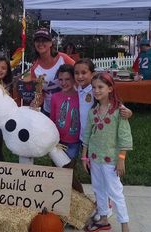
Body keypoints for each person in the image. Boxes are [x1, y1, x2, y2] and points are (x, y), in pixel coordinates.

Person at [74, 58, 132, 221]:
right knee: (98, 183)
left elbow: (121, 122)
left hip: (108, 152)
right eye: (76, 73)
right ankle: (103, 211)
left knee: (111, 186)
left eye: (84, 72)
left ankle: (108, 210)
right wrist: (85, 154)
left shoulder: (106, 101)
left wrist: (128, 112)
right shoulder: (77, 90)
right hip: (90, 145)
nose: (80, 76)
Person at [50, 64, 83, 193]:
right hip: (57, 142)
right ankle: (60, 200)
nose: (64, 83)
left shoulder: (81, 97)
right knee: (57, 173)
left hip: (73, 142)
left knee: (69, 173)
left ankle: (82, 199)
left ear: (74, 79)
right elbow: (52, 120)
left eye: (67, 79)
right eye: (61, 79)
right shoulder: (55, 97)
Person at [30, 28, 75, 117]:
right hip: (49, 111)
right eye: (37, 41)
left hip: (70, 107)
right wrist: (34, 104)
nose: (41, 43)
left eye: (44, 40)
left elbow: (79, 73)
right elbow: (40, 92)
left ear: (51, 43)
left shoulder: (63, 58)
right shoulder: (34, 68)